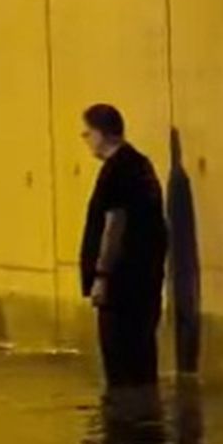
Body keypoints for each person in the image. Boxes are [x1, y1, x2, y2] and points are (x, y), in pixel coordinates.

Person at [80, 104, 169, 390]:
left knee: (119, 367)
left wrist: (102, 277)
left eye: (87, 133)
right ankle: (146, 428)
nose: (86, 139)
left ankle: (122, 430)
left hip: (120, 286)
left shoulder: (115, 171)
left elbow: (114, 225)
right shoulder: (142, 165)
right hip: (146, 281)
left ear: (101, 133)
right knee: (143, 361)